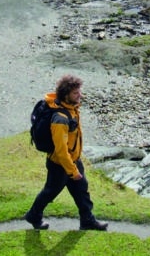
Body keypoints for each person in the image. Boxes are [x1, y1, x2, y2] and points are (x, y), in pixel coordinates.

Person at [24, 75, 108, 231]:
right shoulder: (60, 118)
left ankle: (87, 220)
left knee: (81, 190)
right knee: (50, 192)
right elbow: (61, 150)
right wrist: (72, 170)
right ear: (66, 95)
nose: (80, 95)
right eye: (76, 93)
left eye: (79, 92)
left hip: (73, 160)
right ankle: (33, 215)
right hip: (61, 164)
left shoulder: (71, 109)